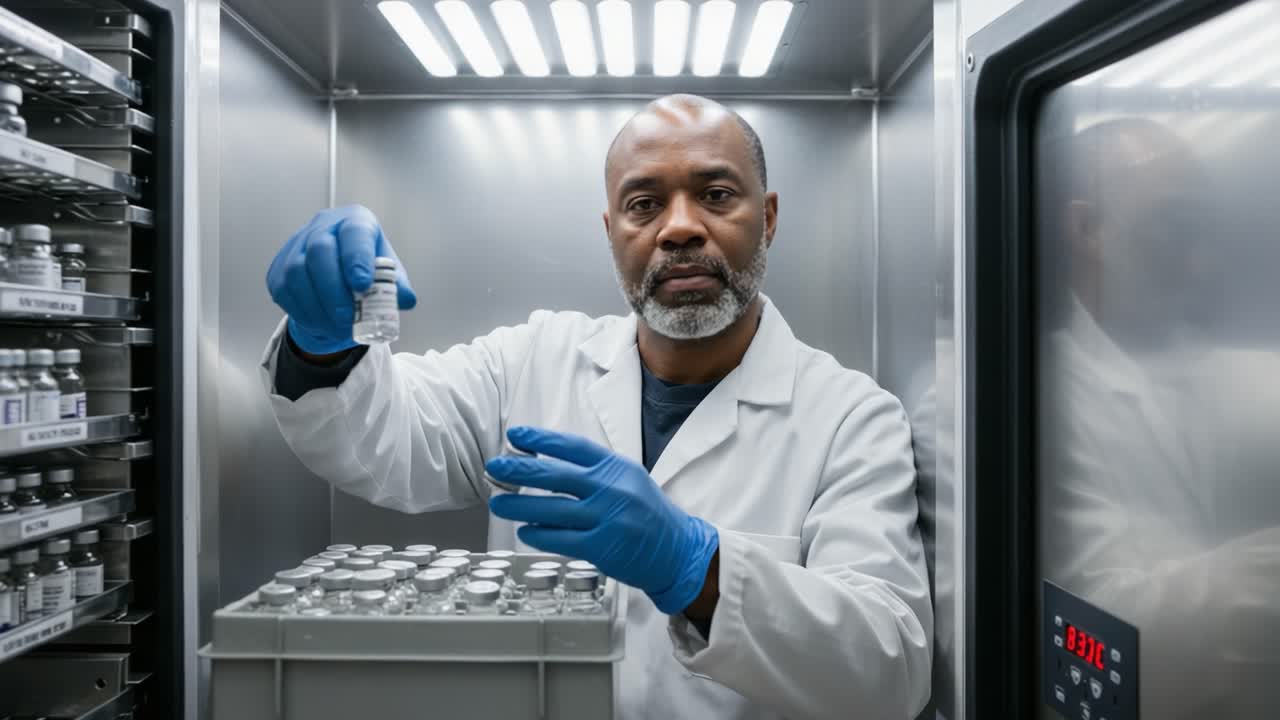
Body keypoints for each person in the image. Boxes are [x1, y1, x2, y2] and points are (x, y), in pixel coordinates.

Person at [261, 94, 932, 720]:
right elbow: (383, 443)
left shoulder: (851, 418)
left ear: (769, 216)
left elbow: (889, 670)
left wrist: (698, 568)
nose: (679, 228)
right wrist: (322, 348)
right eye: (644, 205)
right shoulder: (532, 361)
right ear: (612, 231)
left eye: (716, 194)